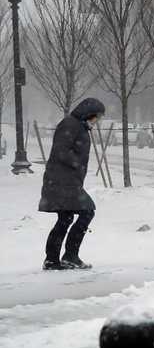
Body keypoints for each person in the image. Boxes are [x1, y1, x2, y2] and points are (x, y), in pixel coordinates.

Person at [40, 96, 104, 270]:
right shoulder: (70, 125)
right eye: (95, 117)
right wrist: (77, 163)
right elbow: (61, 151)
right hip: (62, 181)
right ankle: (68, 256)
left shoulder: (79, 127)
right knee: (87, 211)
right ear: (88, 114)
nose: (96, 121)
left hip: (67, 181)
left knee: (65, 218)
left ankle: (54, 259)